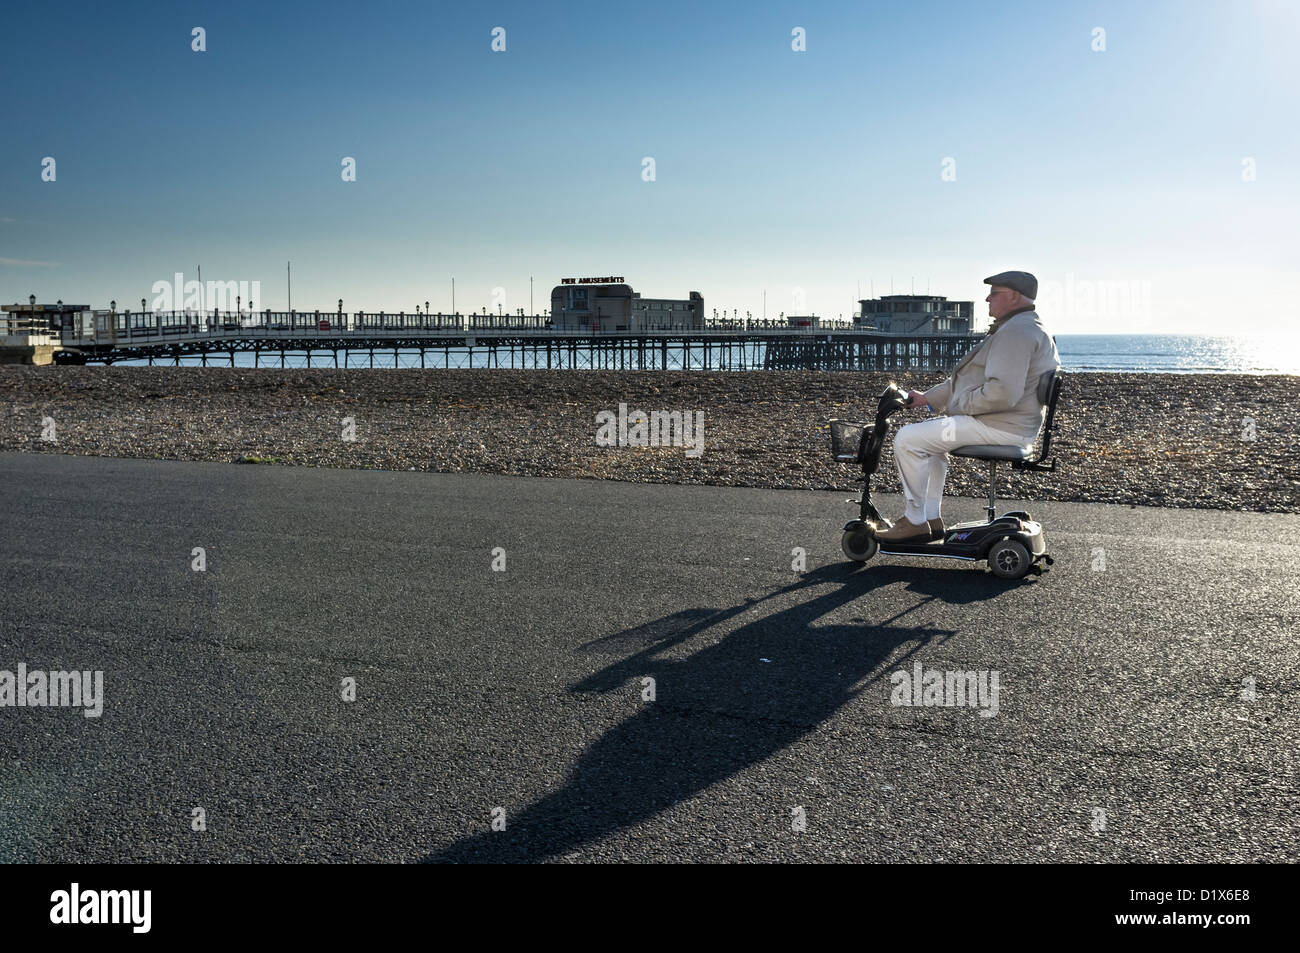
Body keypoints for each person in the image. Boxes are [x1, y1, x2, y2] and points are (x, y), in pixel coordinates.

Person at [873, 271, 1061, 543]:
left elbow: (1002, 393)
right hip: (1009, 423)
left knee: (907, 439)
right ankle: (929, 520)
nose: (987, 298)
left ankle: (914, 521)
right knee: (928, 444)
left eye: (994, 293)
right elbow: (970, 380)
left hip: (999, 426)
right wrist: (928, 397)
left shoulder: (1016, 332)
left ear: (1014, 296)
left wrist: (957, 406)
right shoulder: (1023, 326)